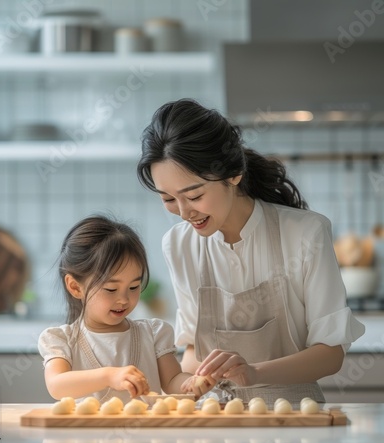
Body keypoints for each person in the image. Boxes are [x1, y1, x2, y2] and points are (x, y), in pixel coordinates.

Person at [137, 98, 365, 406]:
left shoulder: (306, 233)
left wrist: (253, 373)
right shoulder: (178, 245)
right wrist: (194, 378)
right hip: (216, 420)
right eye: (168, 199)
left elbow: (330, 354)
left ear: (233, 175)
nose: (183, 212)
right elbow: (192, 350)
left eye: (194, 195)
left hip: (296, 417)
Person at [38, 214, 211, 403]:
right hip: (85, 433)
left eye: (134, 287)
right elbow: (57, 385)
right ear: (75, 287)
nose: (124, 299)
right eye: (111, 289)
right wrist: (109, 376)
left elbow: (172, 381)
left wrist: (192, 383)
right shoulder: (62, 340)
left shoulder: (153, 334)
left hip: (145, 432)